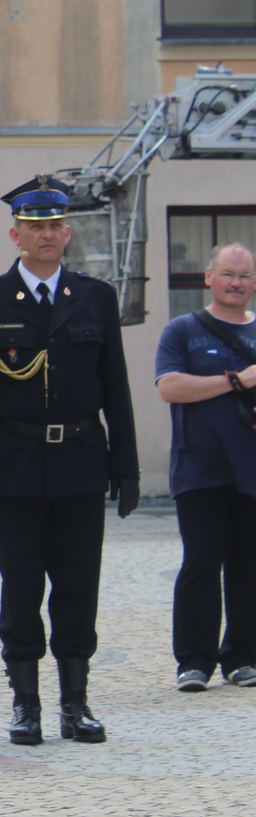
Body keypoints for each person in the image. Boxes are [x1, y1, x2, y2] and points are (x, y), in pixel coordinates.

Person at [0, 174, 139, 746]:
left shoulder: (97, 298)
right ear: (16, 235)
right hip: (14, 464)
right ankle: (26, 703)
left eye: (56, 225)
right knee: (22, 586)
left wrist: (125, 467)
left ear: (68, 231)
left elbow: (117, 389)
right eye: (36, 227)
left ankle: (76, 703)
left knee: (79, 586)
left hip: (82, 459)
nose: (47, 235)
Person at [153, 241, 256, 692]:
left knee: (248, 566)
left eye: (246, 275)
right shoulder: (181, 331)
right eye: (229, 274)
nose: (237, 283)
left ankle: (244, 656)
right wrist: (236, 380)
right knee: (200, 563)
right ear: (208, 277)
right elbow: (170, 387)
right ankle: (194, 661)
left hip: (251, 471)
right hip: (198, 469)